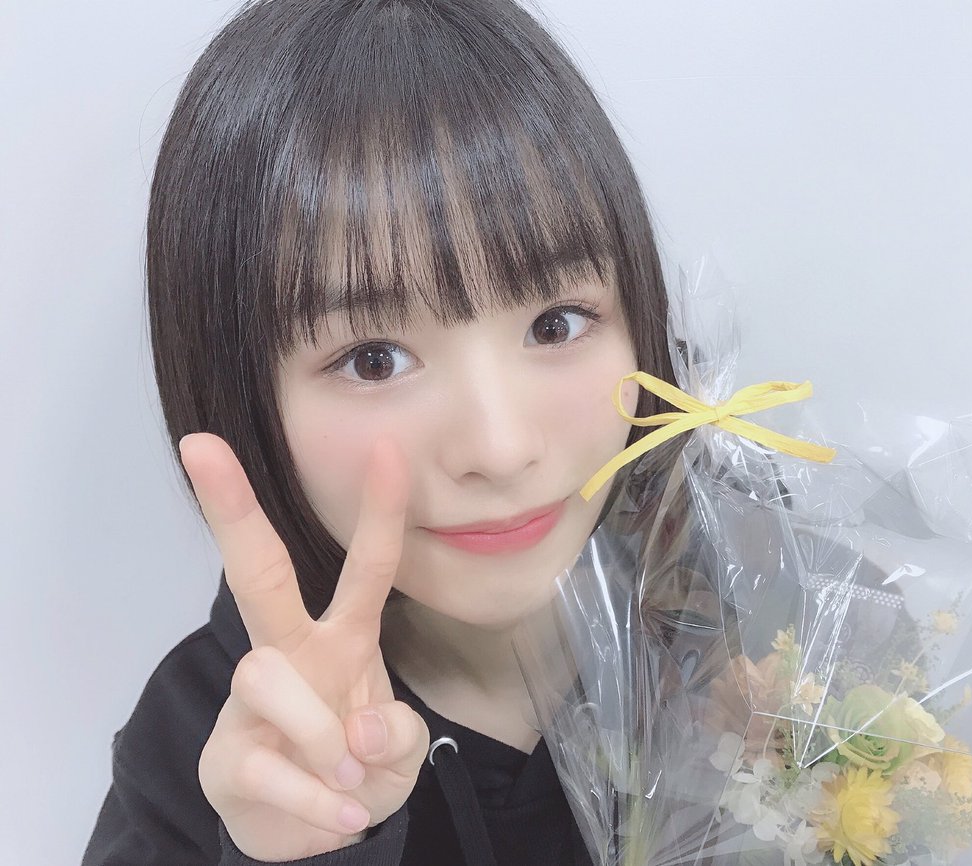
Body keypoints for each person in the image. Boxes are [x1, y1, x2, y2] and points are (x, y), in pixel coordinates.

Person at [82, 0, 682, 863]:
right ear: (241, 392)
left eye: (556, 323)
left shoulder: (781, 637)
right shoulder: (204, 756)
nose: (499, 448)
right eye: (374, 360)